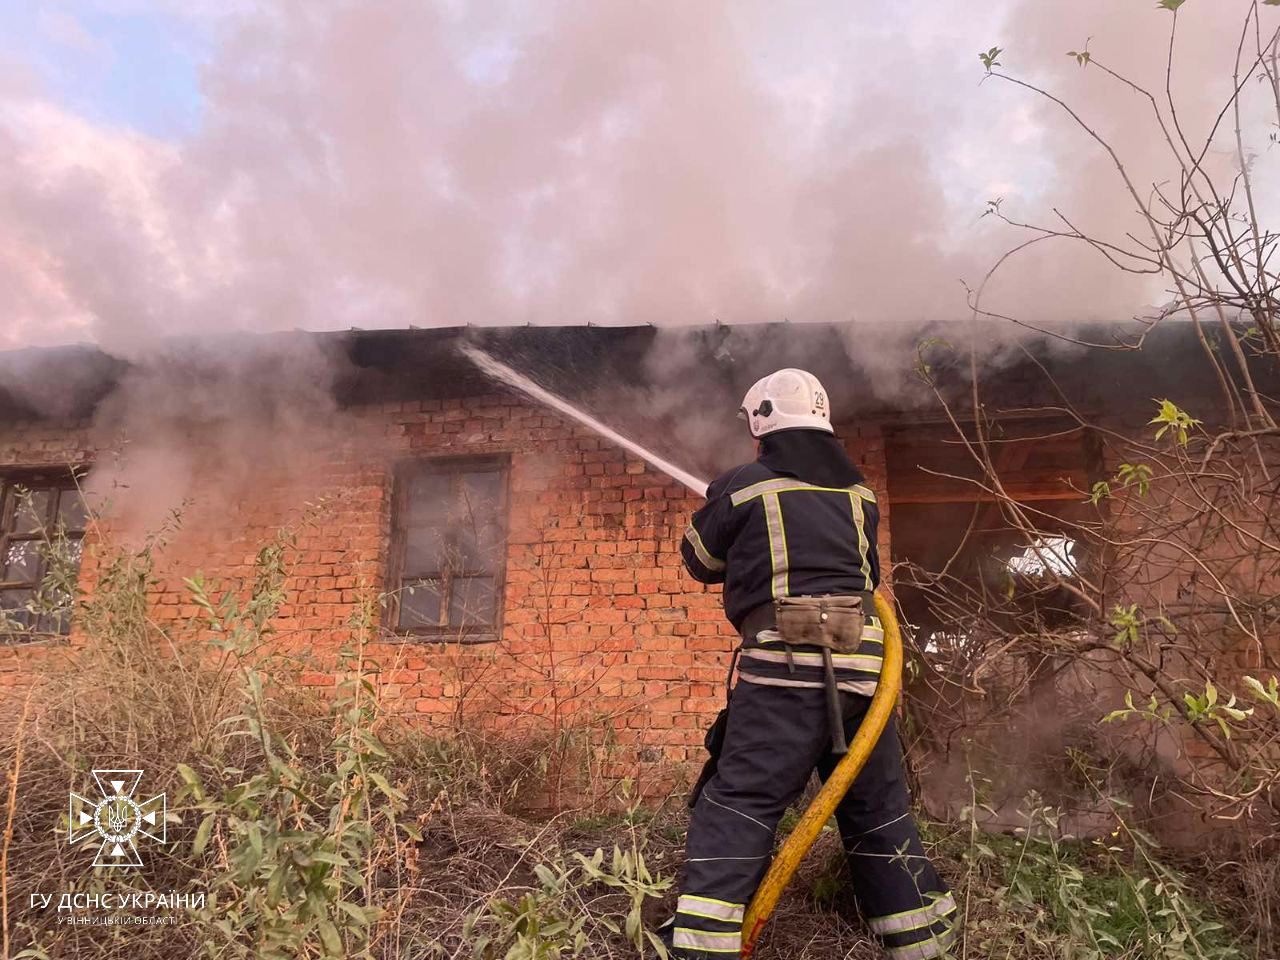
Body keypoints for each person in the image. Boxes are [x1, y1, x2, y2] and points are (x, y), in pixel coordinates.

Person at [658, 369, 955, 959]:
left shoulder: (744, 487)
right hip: (866, 663)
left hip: (785, 661)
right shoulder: (860, 493)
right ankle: (920, 940)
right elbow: (865, 574)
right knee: (874, 804)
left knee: (743, 796)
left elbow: (699, 560)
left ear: (760, 425)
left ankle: (702, 945)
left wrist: (722, 507)